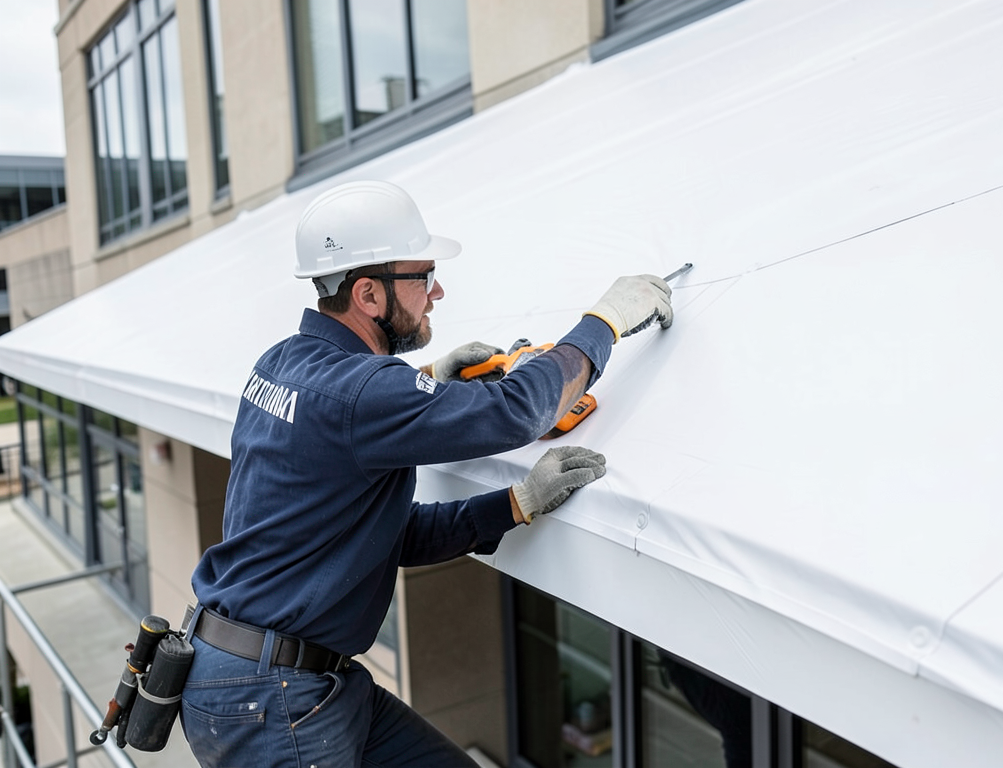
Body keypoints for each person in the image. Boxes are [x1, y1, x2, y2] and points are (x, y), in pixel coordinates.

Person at [180, 180, 674, 767]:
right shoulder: (362, 394)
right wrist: (604, 323)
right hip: (273, 699)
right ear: (367, 293)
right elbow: (517, 410)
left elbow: (373, 532)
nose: (437, 291)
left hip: (278, 681)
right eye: (423, 275)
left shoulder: (281, 364)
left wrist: (514, 502)